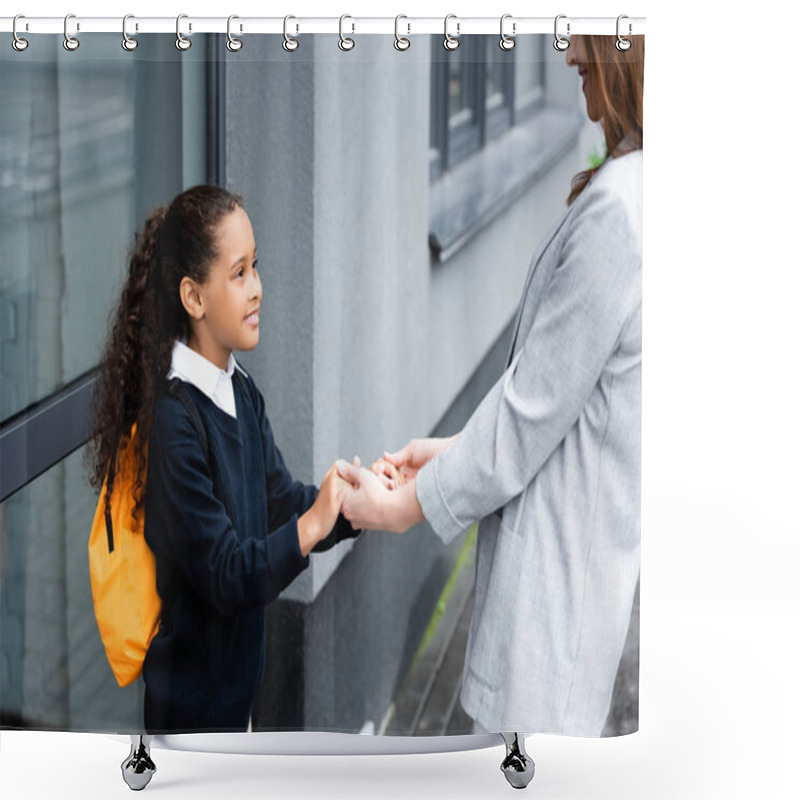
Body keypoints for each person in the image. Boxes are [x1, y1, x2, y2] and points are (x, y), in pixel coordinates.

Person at [336, 33, 644, 737]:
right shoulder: (636, 193)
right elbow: (561, 406)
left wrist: (403, 506)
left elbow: (529, 416)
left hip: (552, 621)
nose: (567, 54)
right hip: (572, 598)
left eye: (583, 35)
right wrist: (445, 452)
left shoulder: (621, 214)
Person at [87, 184, 360, 733]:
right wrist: (311, 525)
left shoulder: (240, 390)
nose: (257, 289)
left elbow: (280, 500)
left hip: (236, 707)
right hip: (190, 721)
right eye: (238, 274)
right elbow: (228, 574)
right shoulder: (174, 423)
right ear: (194, 298)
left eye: (255, 267)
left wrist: (363, 502)